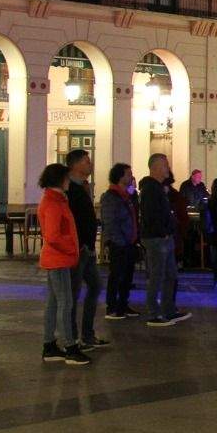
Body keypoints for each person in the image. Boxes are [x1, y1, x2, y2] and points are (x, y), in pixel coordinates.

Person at [38, 163, 91, 365]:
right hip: (59, 259)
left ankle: (49, 344)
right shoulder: (54, 202)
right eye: (67, 178)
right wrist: (71, 249)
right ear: (60, 179)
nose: (69, 181)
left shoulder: (57, 200)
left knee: (54, 303)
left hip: (57, 258)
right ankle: (70, 347)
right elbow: (53, 235)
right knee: (65, 302)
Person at [139, 153, 188, 325]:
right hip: (157, 239)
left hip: (163, 238)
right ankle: (154, 313)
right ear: (155, 167)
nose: (168, 168)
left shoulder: (158, 188)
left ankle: (168, 309)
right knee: (157, 276)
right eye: (165, 165)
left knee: (170, 275)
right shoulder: (151, 189)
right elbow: (151, 215)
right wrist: (163, 232)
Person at [65, 149, 106, 349]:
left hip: (87, 247)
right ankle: (71, 337)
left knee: (96, 286)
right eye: (86, 161)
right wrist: (79, 243)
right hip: (77, 248)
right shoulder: (69, 188)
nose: (90, 164)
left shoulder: (84, 186)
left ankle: (88, 334)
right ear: (76, 165)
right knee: (72, 292)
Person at [100, 164, 141, 318]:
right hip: (119, 243)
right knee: (117, 275)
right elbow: (110, 221)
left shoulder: (127, 195)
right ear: (120, 177)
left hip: (129, 241)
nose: (131, 177)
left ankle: (123, 304)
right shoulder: (111, 197)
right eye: (129, 174)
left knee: (127, 276)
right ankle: (112, 306)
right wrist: (119, 241)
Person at [179, 169, 209, 270]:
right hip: (188, 215)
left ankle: (199, 260)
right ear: (192, 176)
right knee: (188, 238)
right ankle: (188, 260)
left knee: (198, 237)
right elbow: (182, 199)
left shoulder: (201, 186)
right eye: (198, 177)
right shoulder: (185, 185)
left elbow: (205, 197)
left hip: (199, 215)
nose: (200, 179)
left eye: (201, 177)